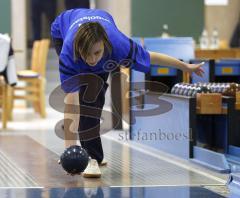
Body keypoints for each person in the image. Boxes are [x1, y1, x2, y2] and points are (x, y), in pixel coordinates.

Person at [51, 8, 204, 178]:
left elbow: (151, 57)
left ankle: (93, 152)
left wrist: (185, 67)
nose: (92, 60)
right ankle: (91, 158)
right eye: (87, 55)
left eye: (97, 53)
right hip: (61, 30)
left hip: (103, 45)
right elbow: (72, 102)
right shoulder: (69, 53)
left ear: (105, 45)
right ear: (79, 50)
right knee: (87, 98)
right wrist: (69, 152)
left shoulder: (119, 46)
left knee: (95, 96)